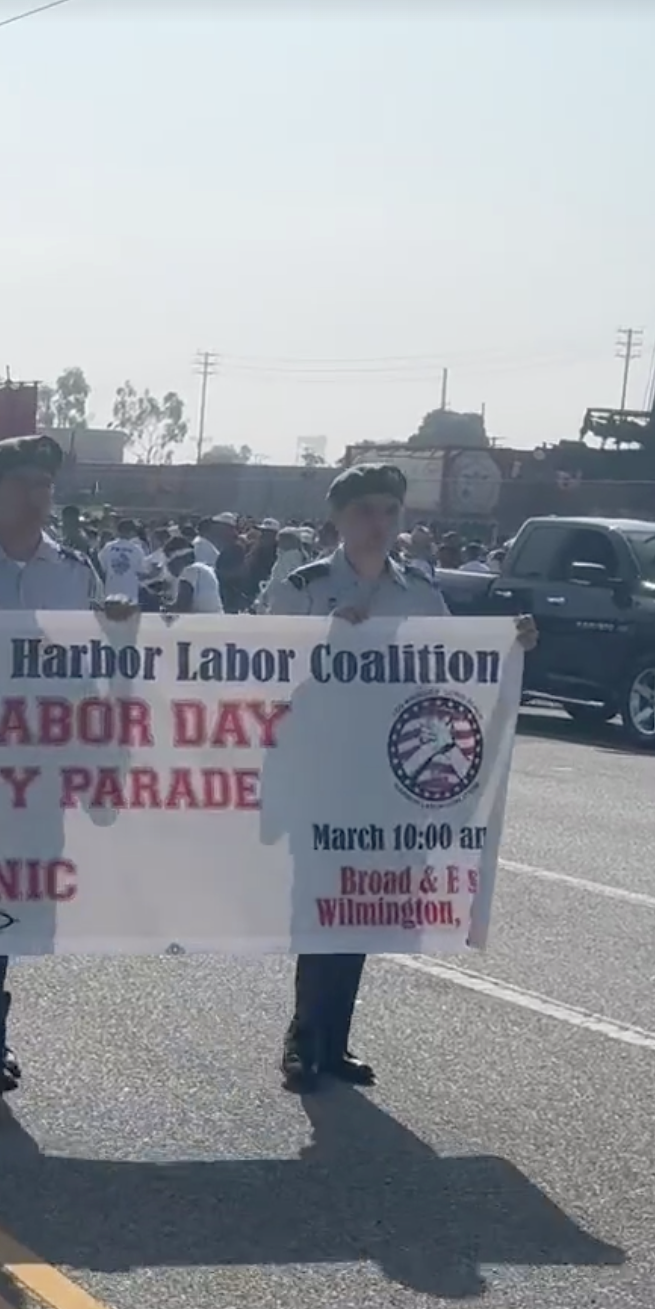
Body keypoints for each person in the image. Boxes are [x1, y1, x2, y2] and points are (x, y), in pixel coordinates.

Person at [265, 462, 535, 1092]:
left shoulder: (418, 590)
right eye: (364, 511)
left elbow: (453, 665)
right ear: (337, 518)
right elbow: (259, 667)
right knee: (321, 901)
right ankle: (304, 1038)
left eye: (389, 511)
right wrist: (329, 641)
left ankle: (334, 1042)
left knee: (363, 901)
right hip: (320, 765)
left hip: (392, 770)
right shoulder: (303, 586)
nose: (378, 524)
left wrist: (510, 642)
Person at [0, 435, 138, 1103]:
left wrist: (118, 625)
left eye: (43, 482)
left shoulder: (72, 568)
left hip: (40, 759)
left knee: (20, 890)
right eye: (21, 483)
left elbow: (95, 655)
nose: (35, 495)